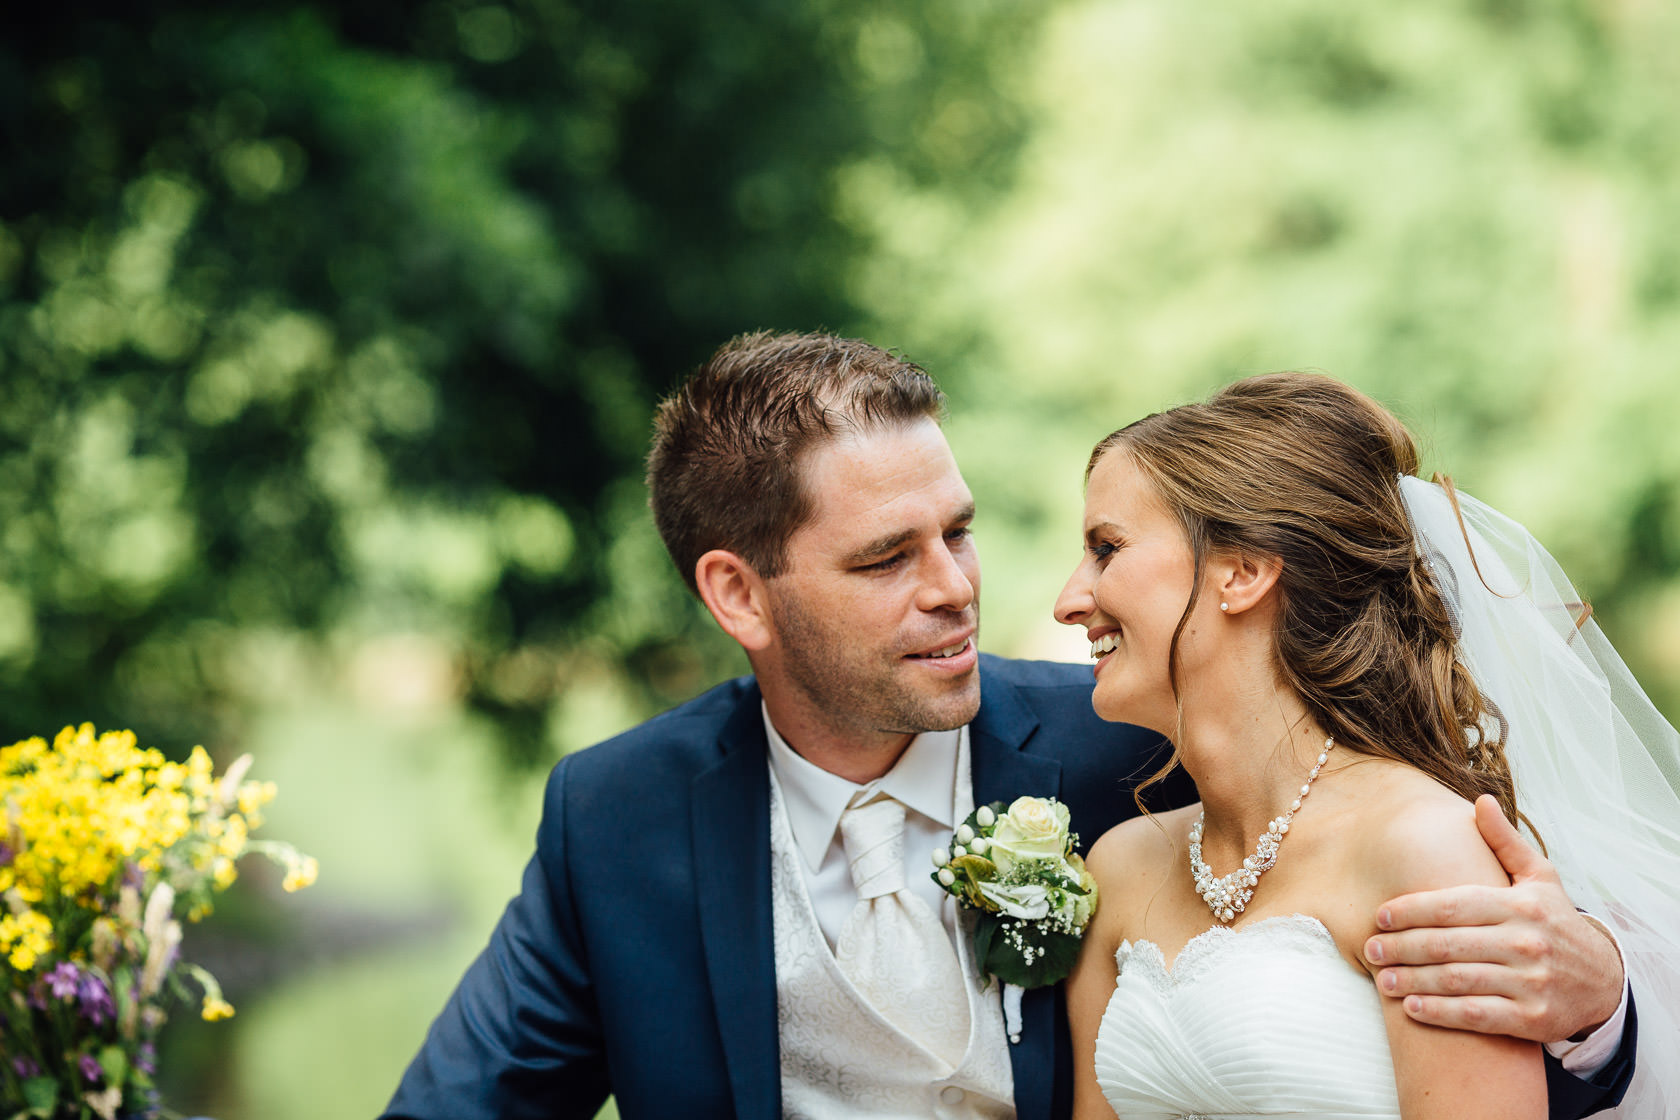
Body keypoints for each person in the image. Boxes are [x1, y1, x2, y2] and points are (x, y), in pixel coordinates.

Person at [383, 335, 1636, 1120]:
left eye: (960, 531)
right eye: (887, 558)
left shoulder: (1144, 755)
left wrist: (1594, 1009)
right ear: (738, 595)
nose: (958, 588)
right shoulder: (618, 817)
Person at [1056, 372, 1675, 1118]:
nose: (1068, 601)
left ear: (1243, 572)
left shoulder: (1424, 846)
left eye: (1106, 549)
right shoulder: (1118, 868)